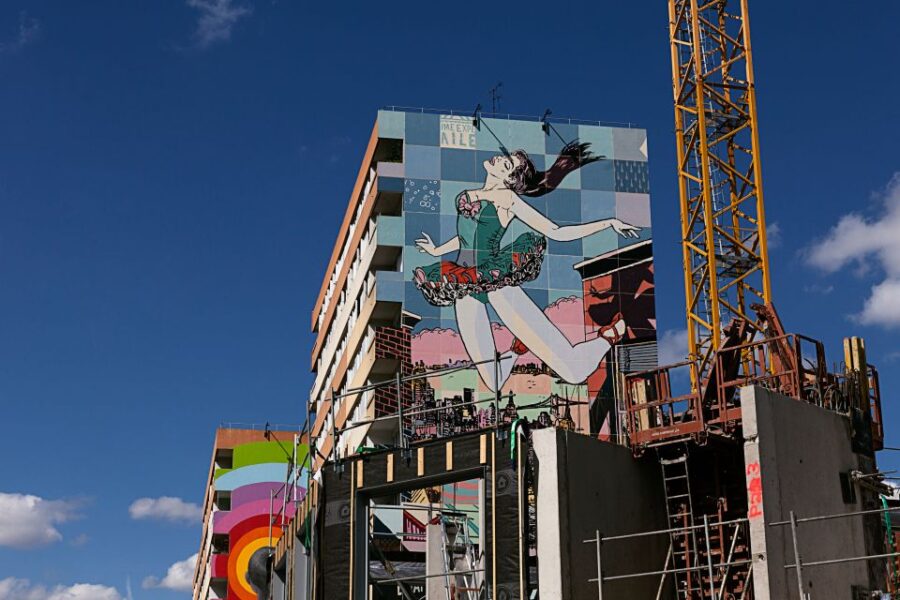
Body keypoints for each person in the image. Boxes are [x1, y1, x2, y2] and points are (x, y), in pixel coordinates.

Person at [414, 141, 640, 391]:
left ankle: (611, 335)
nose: (499, 159)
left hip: (495, 280)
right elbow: (466, 236)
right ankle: (515, 350)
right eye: (505, 157)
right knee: (494, 382)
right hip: (464, 283)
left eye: (507, 163)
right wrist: (437, 250)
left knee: (573, 372)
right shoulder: (470, 193)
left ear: (509, 178)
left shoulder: (508, 200)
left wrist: (608, 223)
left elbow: (556, 231)